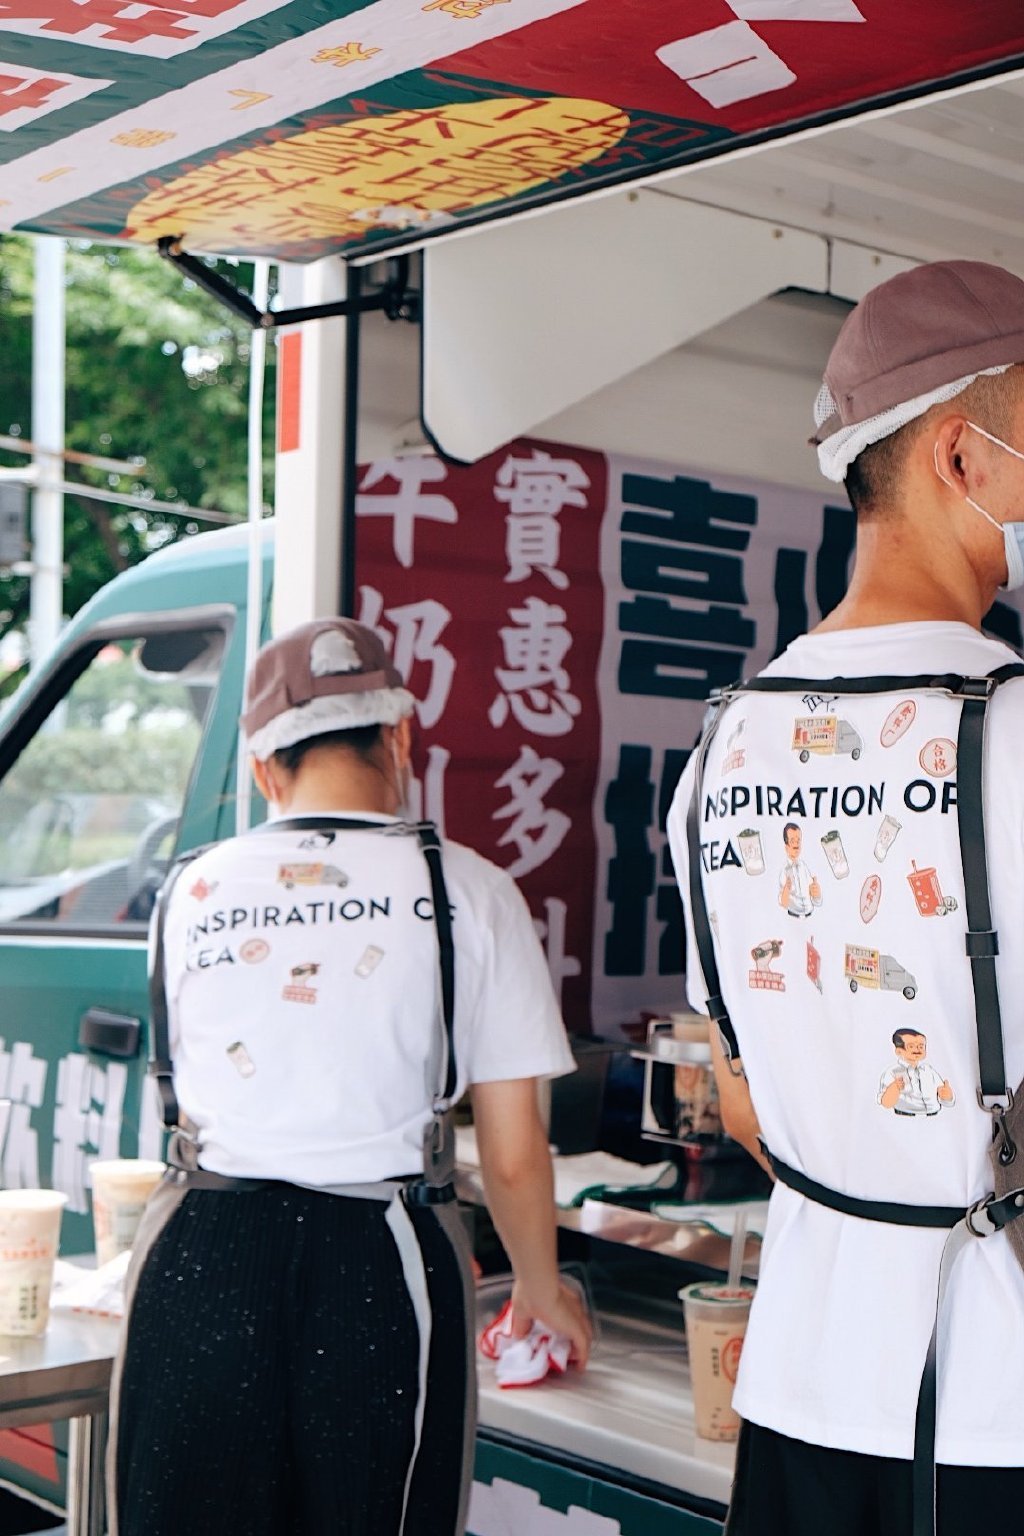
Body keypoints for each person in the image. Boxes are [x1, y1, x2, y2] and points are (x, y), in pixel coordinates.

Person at [668, 259, 1024, 1534]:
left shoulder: (720, 749)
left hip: (805, 1384)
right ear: (958, 456)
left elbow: (739, 1098)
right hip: (994, 1408)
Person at [108, 617, 591, 1536]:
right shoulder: (473, 891)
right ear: (401, 738)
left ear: (263, 770)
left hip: (197, 1250)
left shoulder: (188, 890)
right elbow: (516, 1150)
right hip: (383, 1257)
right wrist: (540, 1288)